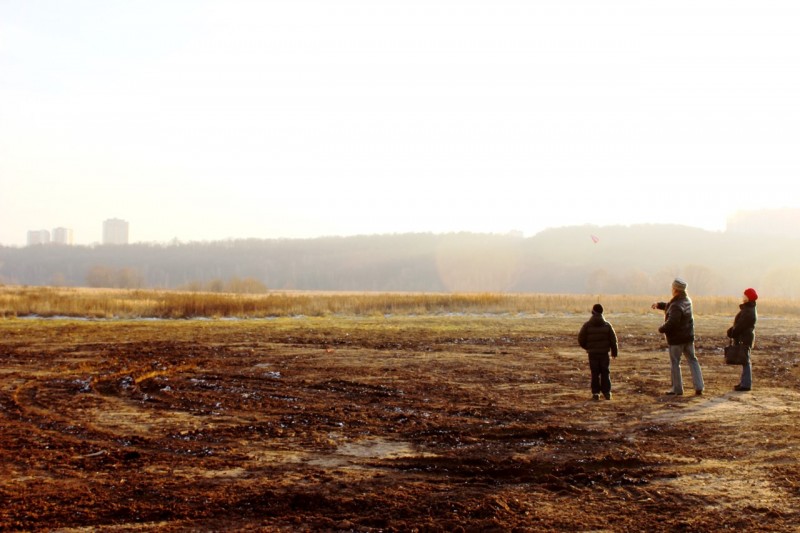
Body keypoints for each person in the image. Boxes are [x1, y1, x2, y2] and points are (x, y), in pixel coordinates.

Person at [651, 278, 704, 396]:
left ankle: (677, 389)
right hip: (688, 337)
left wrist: (661, 328)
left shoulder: (676, 305)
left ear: (675, 289)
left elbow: (673, 321)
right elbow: (672, 307)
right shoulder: (687, 300)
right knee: (693, 360)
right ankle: (699, 386)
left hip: (676, 340)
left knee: (675, 363)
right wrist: (659, 305)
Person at [578, 303, 619, 401]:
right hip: (604, 353)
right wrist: (614, 352)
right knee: (605, 372)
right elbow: (613, 340)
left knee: (595, 373)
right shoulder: (607, 325)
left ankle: (596, 393)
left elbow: (581, 339)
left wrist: (588, 347)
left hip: (592, 354)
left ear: (593, 312)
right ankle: (607, 393)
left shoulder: (587, 325)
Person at [727, 287, 758, 391]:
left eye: (744, 295)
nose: (742, 296)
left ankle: (746, 384)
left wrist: (732, 332)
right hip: (746, 337)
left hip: (745, 338)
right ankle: (744, 383)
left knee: (745, 361)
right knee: (746, 360)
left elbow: (741, 326)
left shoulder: (748, 311)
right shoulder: (748, 309)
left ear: (748, 297)